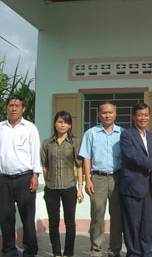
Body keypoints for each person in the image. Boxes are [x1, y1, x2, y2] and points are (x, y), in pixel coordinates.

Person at [119, 103, 152, 257]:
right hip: (132, 186)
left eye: (146, 115)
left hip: (148, 186)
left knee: (147, 223)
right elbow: (132, 157)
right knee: (132, 224)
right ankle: (134, 253)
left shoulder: (151, 136)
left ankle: (147, 252)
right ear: (134, 117)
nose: (143, 118)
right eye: (140, 115)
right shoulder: (126, 135)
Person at [79, 101, 124, 257]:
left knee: (117, 216)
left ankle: (115, 250)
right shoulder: (90, 133)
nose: (107, 115)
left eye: (110, 112)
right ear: (99, 115)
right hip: (97, 178)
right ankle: (96, 250)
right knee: (97, 216)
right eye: (104, 112)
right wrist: (88, 180)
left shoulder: (122, 133)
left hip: (117, 179)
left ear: (115, 114)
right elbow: (86, 158)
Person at [0, 95, 41, 257]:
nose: (14, 108)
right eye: (11, 105)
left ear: (23, 108)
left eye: (17, 105)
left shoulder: (30, 128)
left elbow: (34, 152)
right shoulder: (1, 127)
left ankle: (30, 250)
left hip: (25, 178)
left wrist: (35, 175)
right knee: (5, 217)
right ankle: (9, 250)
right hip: (3, 180)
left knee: (27, 217)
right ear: (6, 108)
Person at [41, 111, 84, 257]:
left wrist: (80, 188)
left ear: (70, 125)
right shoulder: (47, 143)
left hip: (69, 187)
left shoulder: (74, 142)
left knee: (70, 223)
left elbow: (79, 166)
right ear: (55, 124)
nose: (62, 124)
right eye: (60, 121)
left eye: (65, 122)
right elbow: (45, 166)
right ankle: (56, 253)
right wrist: (48, 182)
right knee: (53, 222)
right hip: (51, 188)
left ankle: (68, 253)